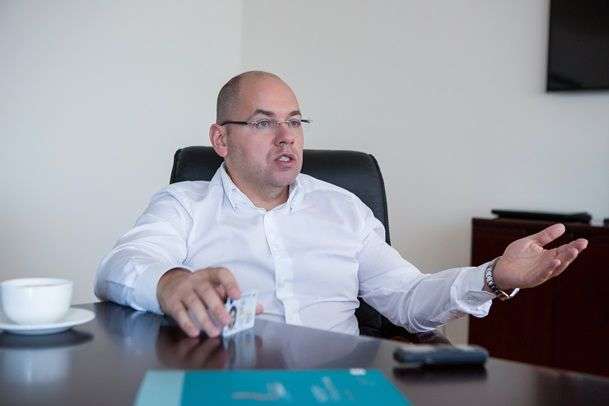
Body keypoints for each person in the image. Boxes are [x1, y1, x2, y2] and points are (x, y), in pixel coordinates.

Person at [95, 71, 588, 338]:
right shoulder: (185, 204)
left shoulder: (343, 208)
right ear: (220, 139)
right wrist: (169, 282)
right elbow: (120, 266)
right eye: (264, 123)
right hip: (228, 382)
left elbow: (408, 300)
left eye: (295, 121)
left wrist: (493, 277)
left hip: (339, 388)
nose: (287, 137)